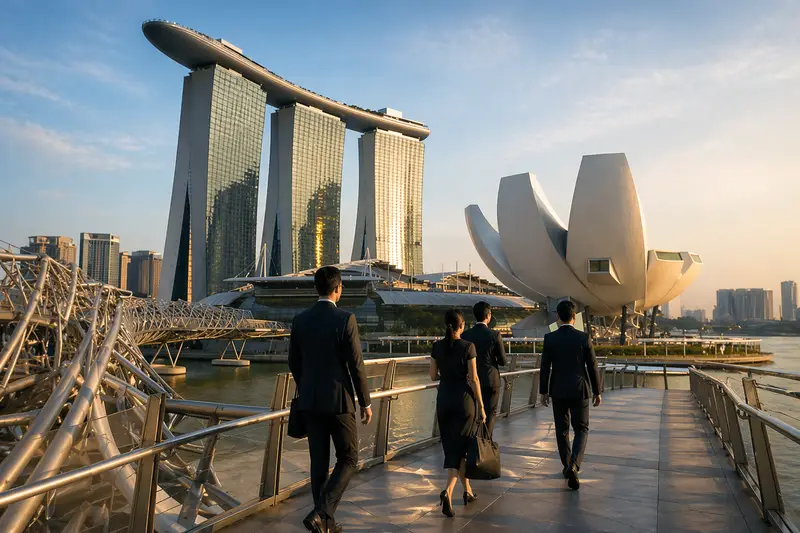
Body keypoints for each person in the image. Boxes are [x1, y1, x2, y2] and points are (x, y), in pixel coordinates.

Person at [288, 266, 372, 533]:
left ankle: (325, 524)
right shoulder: (346, 319)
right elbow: (356, 365)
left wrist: (308, 386)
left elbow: (293, 362)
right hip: (339, 402)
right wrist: (365, 402)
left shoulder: (300, 320)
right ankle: (321, 512)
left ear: (316, 289)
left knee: (319, 463)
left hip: (310, 403)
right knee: (349, 459)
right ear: (338, 289)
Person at [539, 300, 602, 491]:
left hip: (558, 389)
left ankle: (567, 466)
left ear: (558, 317)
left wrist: (543, 391)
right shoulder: (584, 338)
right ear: (574, 317)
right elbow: (592, 366)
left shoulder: (550, 338)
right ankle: (575, 464)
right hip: (579, 389)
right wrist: (597, 391)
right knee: (581, 429)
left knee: (562, 430)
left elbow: (544, 367)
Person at [429, 309, 485, 518]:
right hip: (464, 402)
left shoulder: (437, 347)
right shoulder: (468, 347)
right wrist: (481, 406)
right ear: (461, 326)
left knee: (453, 447)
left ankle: (468, 491)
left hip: (444, 400)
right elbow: (474, 379)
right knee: (460, 450)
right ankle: (448, 492)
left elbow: (433, 376)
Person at [462, 301, 507, 435]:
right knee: (490, 412)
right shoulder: (495, 335)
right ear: (488, 316)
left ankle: (473, 442)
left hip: (472, 380)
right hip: (491, 379)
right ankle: (485, 443)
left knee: (474, 412)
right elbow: (503, 361)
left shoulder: (466, 335)